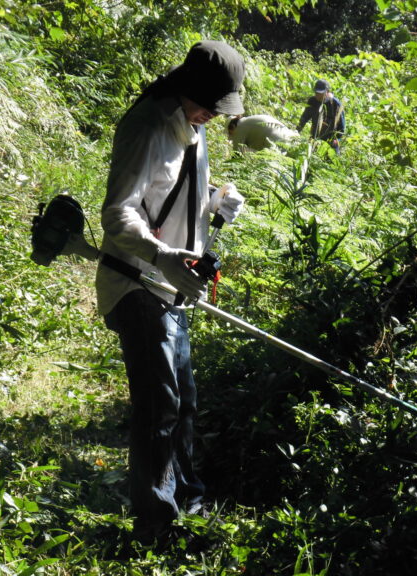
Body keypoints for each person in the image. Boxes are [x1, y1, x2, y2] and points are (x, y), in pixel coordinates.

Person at [96, 40, 246, 546]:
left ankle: (189, 504)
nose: (210, 115)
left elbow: (177, 194)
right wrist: (161, 255)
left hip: (172, 288)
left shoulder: (193, 129)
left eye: (217, 109)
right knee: (159, 405)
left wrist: (216, 203)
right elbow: (119, 213)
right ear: (184, 88)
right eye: (207, 103)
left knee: (183, 403)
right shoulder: (148, 125)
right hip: (138, 282)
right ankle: (156, 526)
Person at [296, 79, 346, 154]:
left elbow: (342, 127)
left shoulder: (336, 104)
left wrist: (337, 140)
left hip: (331, 141)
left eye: (320, 93)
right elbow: (304, 117)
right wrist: (297, 130)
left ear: (327, 92)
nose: (317, 95)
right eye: (316, 93)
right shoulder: (312, 101)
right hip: (315, 139)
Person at [227, 114, 299, 151]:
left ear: (232, 126)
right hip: (290, 138)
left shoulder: (240, 127)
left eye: (230, 133)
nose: (231, 136)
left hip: (275, 142)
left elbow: (237, 154)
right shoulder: (248, 121)